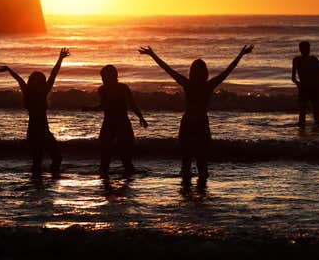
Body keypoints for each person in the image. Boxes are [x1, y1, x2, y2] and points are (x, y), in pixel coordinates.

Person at [139, 45, 254, 181]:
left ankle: (185, 191)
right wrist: (240, 55)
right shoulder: (209, 85)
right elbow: (227, 71)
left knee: (186, 161)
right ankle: (201, 192)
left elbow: (167, 69)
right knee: (202, 161)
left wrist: (152, 55)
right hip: (201, 124)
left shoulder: (188, 84)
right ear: (205, 72)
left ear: (191, 72)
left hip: (187, 123)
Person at [0, 48, 69, 174]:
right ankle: (37, 184)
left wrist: (60, 59)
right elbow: (19, 79)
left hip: (44, 132)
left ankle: (50, 178)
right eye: (34, 79)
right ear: (31, 81)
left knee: (56, 158)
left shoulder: (43, 91)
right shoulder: (28, 93)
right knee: (38, 161)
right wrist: (9, 70)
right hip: (34, 132)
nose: (36, 81)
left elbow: (54, 74)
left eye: (39, 79)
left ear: (41, 81)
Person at [83, 64, 148, 176]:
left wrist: (141, 118)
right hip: (108, 124)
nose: (103, 80)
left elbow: (132, 104)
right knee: (105, 157)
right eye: (102, 77)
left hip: (123, 123)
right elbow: (103, 106)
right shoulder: (102, 89)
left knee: (125, 157)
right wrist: (90, 108)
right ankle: (105, 181)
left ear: (113, 76)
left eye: (104, 77)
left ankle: (128, 179)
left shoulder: (123, 88)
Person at [291, 41, 319, 127]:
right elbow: (293, 78)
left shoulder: (312, 59)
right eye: (305, 48)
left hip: (310, 87)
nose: (307, 50)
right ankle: (311, 130)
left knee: (309, 111)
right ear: (300, 49)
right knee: (307, 111)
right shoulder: (299, 60)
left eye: (307, 48)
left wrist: (298, 84)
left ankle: (309, 130)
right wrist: (298, 84)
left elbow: (318, 75)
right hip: (307, 87)